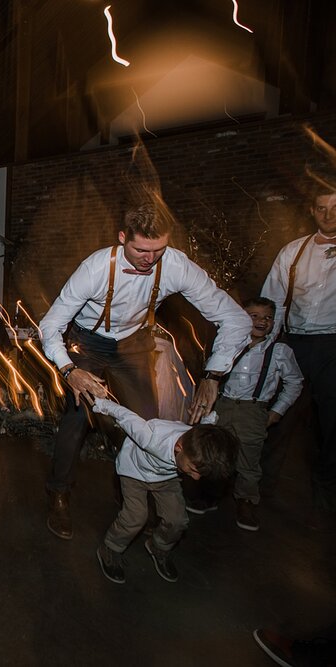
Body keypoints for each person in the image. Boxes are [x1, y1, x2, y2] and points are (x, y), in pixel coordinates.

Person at [38, 201, 250, 540]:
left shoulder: (176, 265)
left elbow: (236, 318)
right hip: (87, 342)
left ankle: (134, 495)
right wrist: (68, 370)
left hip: (133, 344)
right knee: (77, 418)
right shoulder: (95, 269)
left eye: (158, 250)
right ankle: (58, 492)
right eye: (141, 250)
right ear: (123, 238)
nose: (150, 259)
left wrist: (213, 376)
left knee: (149, 420)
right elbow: (49, 325)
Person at [93, 398, 238, 584]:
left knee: (177, 520)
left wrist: (209, 414)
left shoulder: (196, 442)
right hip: (134, 472)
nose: (195, 478)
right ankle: (110, 548)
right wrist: (100, 402)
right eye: (193, 469)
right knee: (135, 517)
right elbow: (125, 416)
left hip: (165, 478)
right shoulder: (152, 438)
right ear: (179, 448)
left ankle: (158, 547)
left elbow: (208, 425)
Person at [261, 183, 336, 531]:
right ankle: (260, 487)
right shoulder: (293, 251)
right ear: (312, 211)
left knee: (332, 423)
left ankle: (326, 487)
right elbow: (271, 302)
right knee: (280, 416)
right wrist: (267, 345)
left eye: (335, 207)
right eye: (322, 208)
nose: (329, 214)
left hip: (334, 346)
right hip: (295, 343)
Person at [193, 297, 302, 531]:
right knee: (215, 452)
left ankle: (246, 502)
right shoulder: (230, 344)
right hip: (223, 405)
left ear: (274, 323)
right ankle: (211, 495)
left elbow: (295, 382)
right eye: (254, 316)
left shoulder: (279, 351)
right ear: (242, 318)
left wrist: (277, 411)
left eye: (267, 318)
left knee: (248, 458)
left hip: (253, 410)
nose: (261, 321)